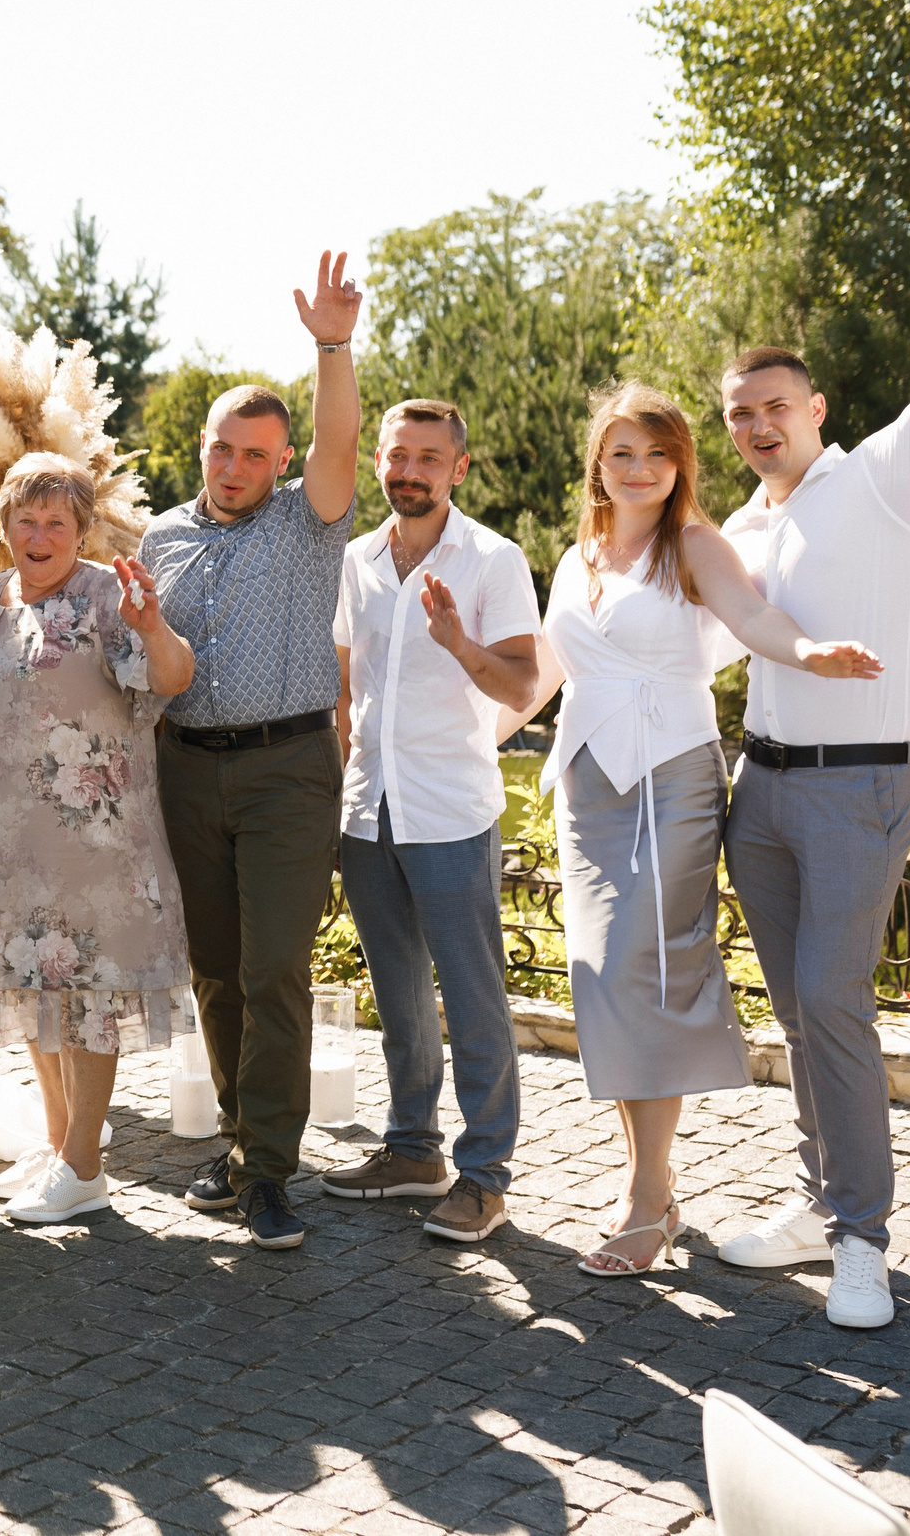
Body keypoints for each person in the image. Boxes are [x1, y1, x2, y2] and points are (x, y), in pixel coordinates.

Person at [521, 386, 879, 1281]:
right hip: (589, 783)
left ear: (681, 462)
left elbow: (755, 620)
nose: (640, 469)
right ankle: (655, 1187)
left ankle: (647, 1199)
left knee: (645, 967)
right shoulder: (578, 558)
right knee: (602, 977)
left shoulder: (695, 543)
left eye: (658, 453)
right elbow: (540, 674)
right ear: (597, 463)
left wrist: (811, 652)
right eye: (622, 454)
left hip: (672, 777)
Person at [708, 131, 910, 1326]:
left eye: (774, 406)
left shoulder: (884, 481)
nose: (757, 424)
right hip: (758, 794)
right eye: (739, 415)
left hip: (861, 788)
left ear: (815, 408)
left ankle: (861, 1234)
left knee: (832, 999)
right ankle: (819, 1205)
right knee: (797, 1007)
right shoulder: (736, 538)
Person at [139, 251, 363, 1251]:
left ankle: (271, 1169)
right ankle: (238, 1145)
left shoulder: (308, 525)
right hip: (186, 766)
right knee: (217, 973)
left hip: (286, 770)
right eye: (222, 449)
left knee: (274, 969)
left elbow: (341, 436)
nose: (235, 468)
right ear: (203, 446)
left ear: (280, 464)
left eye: (255, 455)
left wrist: (330, 345)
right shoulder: (156, 541)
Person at [0, 454, 198, 1224]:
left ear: (82, 529)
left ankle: (86, 1165)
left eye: (57, 521)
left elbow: (174, 677)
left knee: (88, 994)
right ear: (3, 528)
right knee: (36, 992)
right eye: (25, 519)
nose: (39, 533)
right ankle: (61, 1145)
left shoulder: (103, 594)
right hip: (7, 848)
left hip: (95, 846)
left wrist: (154, 628)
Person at [321, 400, 541, 1246]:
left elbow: (522, 686)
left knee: (473, 996)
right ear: (378, 460)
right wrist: (337, 787)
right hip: (368, 808)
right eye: (396, 455)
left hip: (451, 811)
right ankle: (413, 1150)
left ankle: (485, 1174)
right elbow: (346, 690)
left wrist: (460, 644)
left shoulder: (494, 559)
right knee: (400, 995)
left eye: (428, 457)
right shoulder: (356, 562)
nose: (409, 470)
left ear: (461, 464)